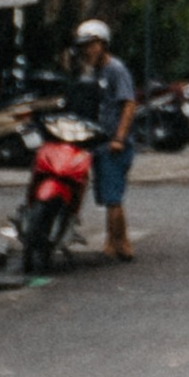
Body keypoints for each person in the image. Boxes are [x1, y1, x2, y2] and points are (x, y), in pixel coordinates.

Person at [74, 17, 140, 262]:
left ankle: (117, 244)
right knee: (108, 196)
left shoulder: (115, 69)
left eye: (92, 44)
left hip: (114, 142)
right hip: (98, 140)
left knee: (113, 196)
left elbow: (129, 104)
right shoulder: (94, 72)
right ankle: (117, 242)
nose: (88, 50)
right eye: (85, 46)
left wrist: (119, 138)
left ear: (103, 44)